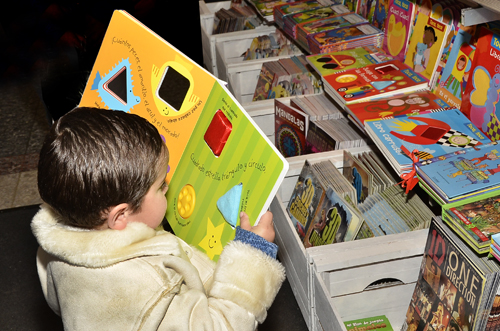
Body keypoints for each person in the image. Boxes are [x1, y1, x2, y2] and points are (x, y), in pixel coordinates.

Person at [32, 106, 286, 330]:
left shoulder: (60, 241)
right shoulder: (147, 286)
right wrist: (252, 257)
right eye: (161, 186)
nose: (168, 187)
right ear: (121, 215)